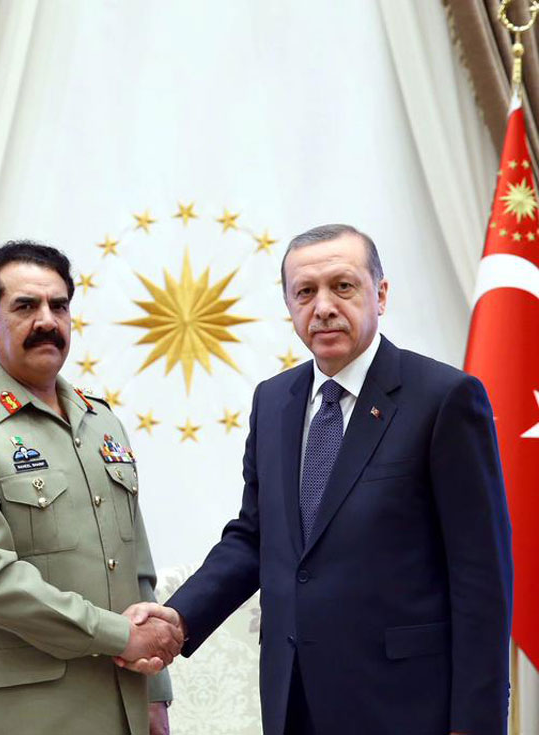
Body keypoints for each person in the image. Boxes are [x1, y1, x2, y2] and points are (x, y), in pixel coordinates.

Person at [120, 224, 513, 735]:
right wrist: (180, 618)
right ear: (288, 305)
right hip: (294, 700)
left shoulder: (444, 398)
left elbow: (482, 576)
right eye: (305, 292)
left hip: (407, 706)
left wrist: (476, 721)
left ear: (382, 293)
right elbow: (255, 538)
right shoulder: (274, 401)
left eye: (342, 286)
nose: (323, 306)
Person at [0, 241, 181, 735]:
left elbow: (136, 567)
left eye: (59, 305)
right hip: (9, 715)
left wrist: (155, 691)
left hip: (115, 706)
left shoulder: (103, 425)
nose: (47, 321)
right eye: (25, 306)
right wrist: (120, 635)